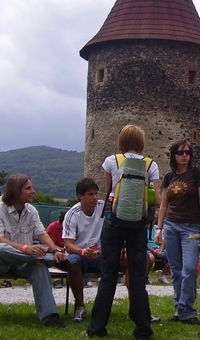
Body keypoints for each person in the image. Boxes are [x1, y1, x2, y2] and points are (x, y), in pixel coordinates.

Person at [86, 125, 159, 340]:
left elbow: (109, 192)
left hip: (113, 222)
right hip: (137, 224)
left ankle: (97, 327)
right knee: (137, 276)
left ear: (121, 141)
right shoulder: (150, 164)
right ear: (141, 142)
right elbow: (155, 197)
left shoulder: (111, 161)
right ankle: (143, 328)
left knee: (108, 275)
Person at [0, 174, 68, 327]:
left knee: (39, 267)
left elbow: (41, 234)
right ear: (16, 191)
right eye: (28, 188)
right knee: (1, 249)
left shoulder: (31, 211)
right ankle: (52, 260)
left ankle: (50, 317)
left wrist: (55, 250)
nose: (33, 191)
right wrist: (25, 248)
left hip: (23, 261)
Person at [154, 139, 200, 325]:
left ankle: (187, 310)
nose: (185, 155)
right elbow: (163, 205)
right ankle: (180, 309)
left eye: (187, 152)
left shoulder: (197, 174)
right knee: (176, 270)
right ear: (174, 155)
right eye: (180, 152)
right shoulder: (169, 177)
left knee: (190, 269)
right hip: (171, 226)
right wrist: (159, 228)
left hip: (191, 227)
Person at [62, 178, 105, 322]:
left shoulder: (103, 208)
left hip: (99, 254)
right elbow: (68, 245)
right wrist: (83, 252)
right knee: (72, 263)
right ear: (80, 196)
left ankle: (135, 308)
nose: (94, 198)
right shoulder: (72, 214)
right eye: (90, 194)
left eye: (96, 194)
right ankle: (80, 307)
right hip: (79, 254)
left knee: (127, 259)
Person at [47, 209, 67, 289]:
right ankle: (57, 280)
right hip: (54, 251)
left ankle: (84, 280)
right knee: (56, 258)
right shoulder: (53, 227)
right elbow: (50, 245)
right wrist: (62, 249)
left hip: (66, 250)